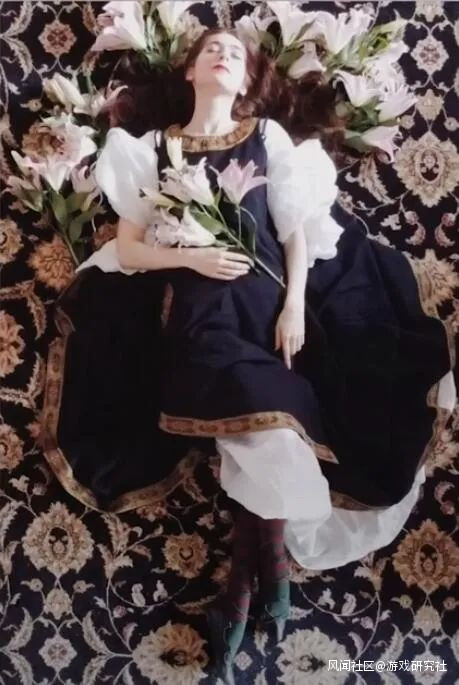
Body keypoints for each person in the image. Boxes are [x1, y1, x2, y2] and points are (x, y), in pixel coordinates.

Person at [39, 28, 456, 685]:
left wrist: (294, 307)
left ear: (246, 80)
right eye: (211, 49)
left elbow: (292, 232)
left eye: (235, 53)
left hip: (266, 310)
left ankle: (242, 583)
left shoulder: (266, 138)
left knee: (274, 420)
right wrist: (193, 257)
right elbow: (130, 247)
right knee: (247, 410)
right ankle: (264, 575)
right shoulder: (154, 149)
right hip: (197, 314)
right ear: (190, 72)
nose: (223, 55)